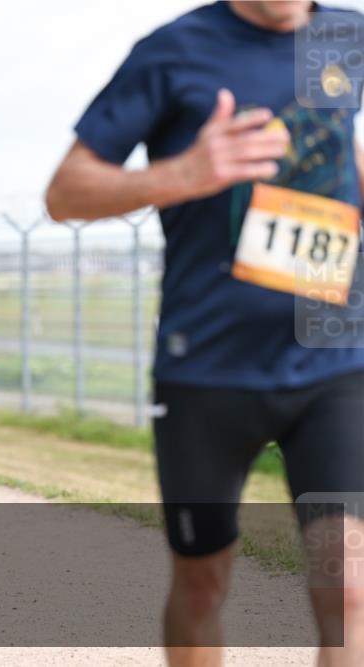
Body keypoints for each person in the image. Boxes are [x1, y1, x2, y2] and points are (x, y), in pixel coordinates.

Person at [45, 2, 363, 664]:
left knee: (350, 587)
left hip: (334, 360)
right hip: (207, 369)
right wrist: (184, 174)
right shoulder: (172, 51)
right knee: (201, 582)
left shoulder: (346, 34)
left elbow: (336, 139)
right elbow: (66, 191)